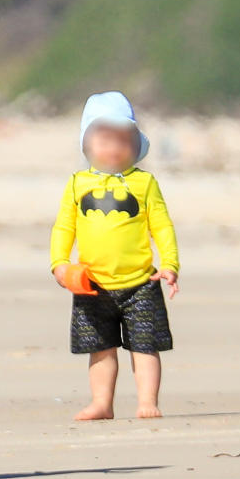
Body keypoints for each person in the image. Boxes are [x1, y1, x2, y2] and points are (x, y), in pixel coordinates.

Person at [49, 91, 178, 422]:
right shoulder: (78, 184)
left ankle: (147, 400)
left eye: (123, 140)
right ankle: (101, 402)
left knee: (145, 346)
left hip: (141, 283)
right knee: (100, 347)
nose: (114, 147)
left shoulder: (144, 183)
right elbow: (64, 227)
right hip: (92, 283)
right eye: (104, 139)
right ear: (86, 144)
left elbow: (162, 227)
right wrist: (60, 264)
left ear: (136, 145)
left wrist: (170, 265)